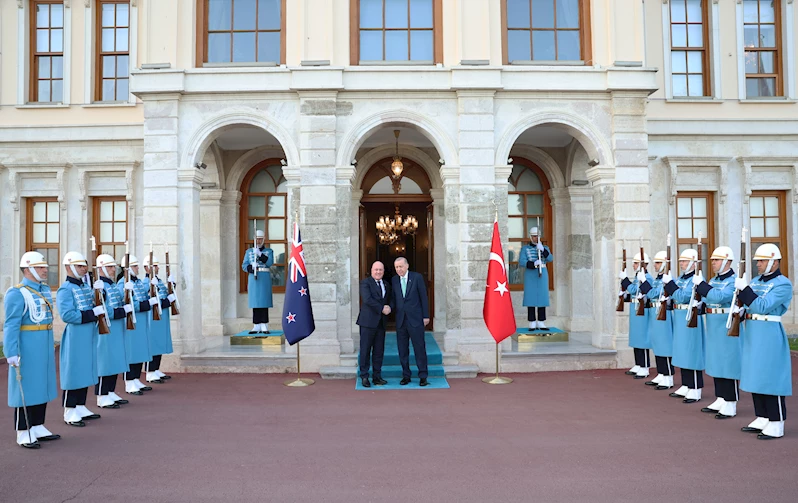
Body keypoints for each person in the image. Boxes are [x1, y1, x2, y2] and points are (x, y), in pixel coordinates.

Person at [736, 244, 792, 439]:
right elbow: (750, 307)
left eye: (762, 260)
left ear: (774, 262)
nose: (758, 264)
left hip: (769, 332)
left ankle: (776, 422)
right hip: (753, 331)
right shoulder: (755, 281)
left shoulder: (783, 284)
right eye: (757, 261)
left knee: (771, 377)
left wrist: (745, 291)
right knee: (756, 374)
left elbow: (762, 306)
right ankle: (762, 416)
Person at [4, 251, 59, 448]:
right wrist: (11, 351)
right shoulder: (17, 293)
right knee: (25, 388)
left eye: (44, 267)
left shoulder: (43, 290)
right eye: (40, 267)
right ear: (27, 269)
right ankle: (23, 430)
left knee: (41, 384)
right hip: (26, 346)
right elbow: (11, 325)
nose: (45, 270)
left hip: (43, 344)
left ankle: (37, 425)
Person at [56, 252, 102, 426]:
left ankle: (80, 405)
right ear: (69, 267)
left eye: (84, 266)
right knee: (73, 371)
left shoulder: (85, 287)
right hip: (76, 334)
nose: (84, 269)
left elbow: (95, 304)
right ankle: (69, 409)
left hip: (88, 332)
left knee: (85, 368)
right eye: (80, 266)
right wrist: (92, 314)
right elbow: (67, 315)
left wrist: (100, 293)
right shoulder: (65, 289)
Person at [694, 246, 740, 419]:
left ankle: (731, 401)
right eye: (713, 260)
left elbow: (720, 297)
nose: (713, 262)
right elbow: (708, 299)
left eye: (717, 260)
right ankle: (721, 397)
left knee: (728, 362)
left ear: (728, 261)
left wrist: (702, 286)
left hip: (726, 325)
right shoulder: (713, 280)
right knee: (716, 361)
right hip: (713, 323)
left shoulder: (734, 281)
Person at [662, 248, 705, 404]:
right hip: (679, 316)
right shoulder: (681, 278)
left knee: (691, 351)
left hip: (689, 317)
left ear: (694, 263)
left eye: (685, 261)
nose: (681, 263)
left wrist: (670, 285)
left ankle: (695, 387)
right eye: (680, 261)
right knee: (682, 351)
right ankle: (687, 384)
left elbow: (682, 296)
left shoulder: (696, 279)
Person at [94, 254, 131, 408]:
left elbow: (118, 301)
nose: (112, 269)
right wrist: (122, 312)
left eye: (113, 267)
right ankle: (102, 395)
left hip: (116, 326)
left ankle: (110, 391)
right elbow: (103, 308)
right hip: (107, 326)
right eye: (109, 267)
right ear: (101, 268)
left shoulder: (113, 284)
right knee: (105, 361)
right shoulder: (100, 285)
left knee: (115, 359)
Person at [118, 255, 155, 395]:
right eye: (134, 266)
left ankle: (136, 378)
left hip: (141, 320)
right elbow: (130, 303)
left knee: (140, 350)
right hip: (132, 321)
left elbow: (143, 296)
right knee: (132, 351)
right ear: (127, 268)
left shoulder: (138, 282)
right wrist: (146, 304)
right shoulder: (123, 283)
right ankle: (129, 381)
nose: (137, 268)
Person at [390, 257, 430, 386]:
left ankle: (423, 375)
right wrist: (388, 308)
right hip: (401, 321)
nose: (399, 269)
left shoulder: (417, 277)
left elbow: (423, 297)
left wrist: (426, 316)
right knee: (402, 350)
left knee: (419, 348)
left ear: (407, 266)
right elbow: (394, 299)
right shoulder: (394, 280)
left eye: (401, 266)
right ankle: (406, 375)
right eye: (396, 267)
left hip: (416, 319)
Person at [641, 251, 676, 390]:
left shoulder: (667, 279)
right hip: (655, 312)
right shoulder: (657, 279)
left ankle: (668, 376)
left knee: (665, 344)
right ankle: (661, 373)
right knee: (657, 343)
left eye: (658, 263)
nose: (655, 265)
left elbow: (653, 293)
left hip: (664, 314)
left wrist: (644, 283)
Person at [356, 261, 391, 388]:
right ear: (371, 271)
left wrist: (389, 307)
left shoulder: (386, 284)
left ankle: (377, 376)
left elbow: (389, 300)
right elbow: (367, 299)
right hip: (367, 322)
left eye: (380, 270)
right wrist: (382, 308)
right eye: (376, 270)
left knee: (378, 351)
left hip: (381, 323)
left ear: (383, 271)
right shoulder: (365, 283)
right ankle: (364, 376)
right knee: (365, 350)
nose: (378, 272)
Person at [620, 253, 653, 379]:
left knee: (642, 338)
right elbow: (633, 293)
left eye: (635, 263)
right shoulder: (637, 277)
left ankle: (645, 366)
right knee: (636, 337)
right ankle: (638, 364)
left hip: (642, 311)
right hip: (636, 309)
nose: (633, 265)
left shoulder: (647, 278)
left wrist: (625, 280)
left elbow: (635, 290)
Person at [143, 255, 175, 383]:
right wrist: (167, 301)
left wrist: (172, 285)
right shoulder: (145, 283)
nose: (157, 268)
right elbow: (150, 300)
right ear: (146, 268)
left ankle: (156, 369)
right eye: (154, 266)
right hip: (153, 317)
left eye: (157, 265)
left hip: (162, 315)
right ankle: (150, 371)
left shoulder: (158, 281)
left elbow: (164, 294)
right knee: (153, 343)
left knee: (160, 342)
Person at [519, 227, 553, 330]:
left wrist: (543, 250)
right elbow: (522, 261)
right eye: (534, 236)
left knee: (542, 297)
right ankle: (532, 321)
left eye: (537, 236)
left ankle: (541, 321)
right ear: (530, 237)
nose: (535, 238)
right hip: (531, 274)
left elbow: (550, 259)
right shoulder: (525, 249)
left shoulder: (544, 247)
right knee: (531, 298)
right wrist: (533, 264)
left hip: (542, 273)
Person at [241, 230, 274, 333]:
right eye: (257, 239)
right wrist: (251, 267)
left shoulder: (269, 251)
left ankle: (264, 324)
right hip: (254, 277)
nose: (258, 241)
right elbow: (244, 265)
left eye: (260, 239)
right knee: (255, 302)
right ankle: (256, 325)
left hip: (264, 278)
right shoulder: (249, 252)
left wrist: (260, 255)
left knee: (263, 301)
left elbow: (269, 263)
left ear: (263, 239)